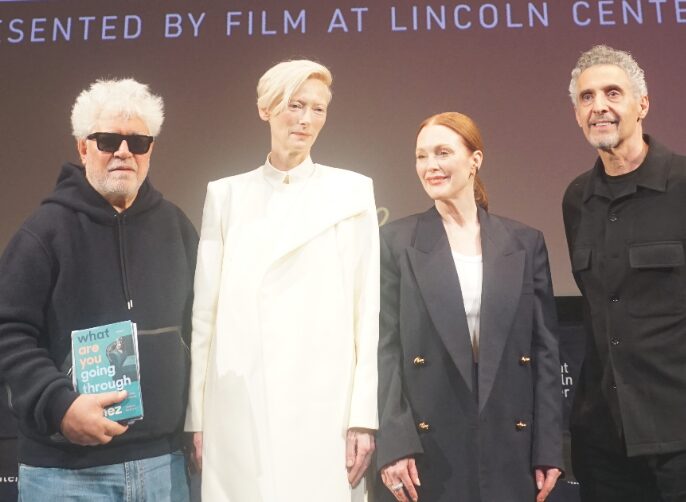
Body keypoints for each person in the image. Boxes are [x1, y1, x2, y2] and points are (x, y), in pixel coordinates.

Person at [184, 59, 379, 501]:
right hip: (240, 403)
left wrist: (362, 416)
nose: (307, 120)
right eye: (295, 105)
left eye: (318, 109)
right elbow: (204, 316)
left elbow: (367, 310)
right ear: (266, 109)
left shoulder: (351, 192)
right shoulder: (226, 194)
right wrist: (197, 417)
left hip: (324, 402)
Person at [0, 78, 198, 501]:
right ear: (83, 147)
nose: (124, 152)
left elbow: (201, 329)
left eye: (138, 142)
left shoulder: (178, 229)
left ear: (150, 150)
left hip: (164, 466)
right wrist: (60, 406)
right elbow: (9, 333)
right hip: (64, 474)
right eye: (108, 140)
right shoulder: (42, 234)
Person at [375, 112, 562, 502]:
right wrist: (394, 441)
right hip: (427, 446)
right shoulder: (394, 241)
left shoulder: (524, 243)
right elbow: (385, 349)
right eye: (421, 156)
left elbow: (544, 351)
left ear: (475, 160)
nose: (431, 166)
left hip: (508, 439)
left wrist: (548, 447)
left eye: (443, 153)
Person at [563, 45, 686, 501]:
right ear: (577, 113)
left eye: (613, 93)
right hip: (604, 444)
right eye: (587, 97)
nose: (600, 107)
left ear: (642, 104)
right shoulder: (576, 199)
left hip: (679, 435)